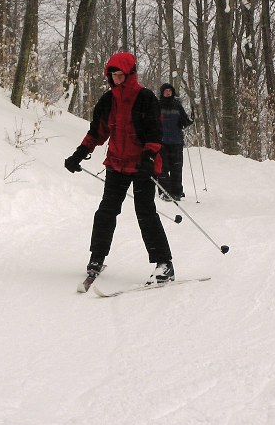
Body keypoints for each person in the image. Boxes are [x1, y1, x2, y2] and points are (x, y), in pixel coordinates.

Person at [64, 52, 175, 285]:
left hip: (142, 166)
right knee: (106, 210)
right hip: (116, 164)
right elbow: (97, 132)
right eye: (112, 75)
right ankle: (96, 258)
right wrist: (79, 154)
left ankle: (164, 263)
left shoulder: (145, 98)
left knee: (145, 212)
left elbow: (156, 133)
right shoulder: (108, 100)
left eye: (120, 75)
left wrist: (147, 157)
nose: (116, 79)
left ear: (130, 74)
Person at [157, 83, 193, 201]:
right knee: (163, 168)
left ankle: (177, 191)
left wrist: (189, 121)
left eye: (170, 91)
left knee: (176, 167)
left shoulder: (177, 105)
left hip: (176, 141)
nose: (168, 93)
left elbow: (184, 121)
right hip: (162, 142)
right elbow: (151, 121)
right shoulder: (157, 105)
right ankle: (165, 192)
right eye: (166, 91)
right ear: (162, 92)